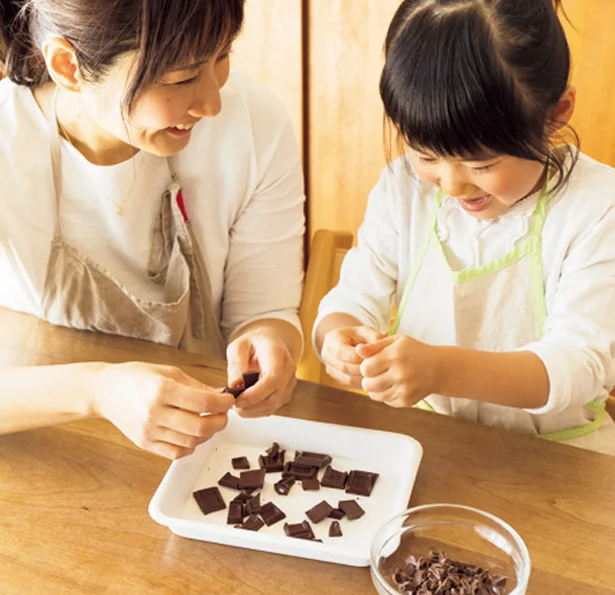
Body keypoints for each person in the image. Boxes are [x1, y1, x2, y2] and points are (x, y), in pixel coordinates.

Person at [0, 0, 305, 459]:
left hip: (205, 451)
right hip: (55, 451)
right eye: (181, 78)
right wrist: (97, 390)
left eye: (222, 56)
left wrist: (274, 339)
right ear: (68, 65)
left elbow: (267, 309)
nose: (212, 103)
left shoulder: (254, 124)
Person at [314, 0, 615, 454]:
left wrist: (439, 369)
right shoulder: (403, 190)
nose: (452, 185)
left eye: (481, 162)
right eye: (427, 155)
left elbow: (579, 364)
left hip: (562, 459)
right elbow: (356, 297)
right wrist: (338, 336)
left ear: (556, 114)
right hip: (428, 443)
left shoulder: (596, 206)